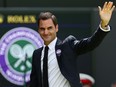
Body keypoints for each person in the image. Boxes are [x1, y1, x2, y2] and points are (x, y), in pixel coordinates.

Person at [29, 1, 115, 87]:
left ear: (56, 28)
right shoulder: (37, 54)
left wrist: (103, 25)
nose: (46, 32)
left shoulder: (67, 45)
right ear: (38, 30)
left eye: (49, 28)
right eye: (42, 29)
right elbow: (34, 83)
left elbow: (90, 43)